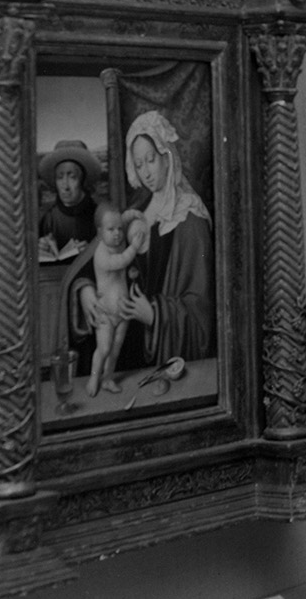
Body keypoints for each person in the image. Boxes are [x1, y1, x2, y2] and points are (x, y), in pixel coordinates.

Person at [69, 110, 214, 374]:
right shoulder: (138, 207)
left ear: (167, 158)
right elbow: (93, 261)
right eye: (138, 164)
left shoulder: (190, 220)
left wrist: (154, 314)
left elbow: (201, 316)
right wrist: (86, 289)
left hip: (153, 349)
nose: (145, 172)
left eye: (150, 160)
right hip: (120, 336)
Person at [84, 204, 146, 397]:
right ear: (100, 232)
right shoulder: (101, 254)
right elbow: (120, 262)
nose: (118, 233)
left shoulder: (116, 241)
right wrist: (134, 247)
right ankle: (94, 377)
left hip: (122, 311)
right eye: (111, 230)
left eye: (120, 229)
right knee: (103, 348)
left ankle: (108, 378)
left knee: (116, 348)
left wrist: (132, 214)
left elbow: (122, 218)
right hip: (106, 312)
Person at [37, 139, 101, 259]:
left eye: (72, 177)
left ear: (82, 180)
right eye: (60, 177)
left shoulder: (99, 215)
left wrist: (92, 252)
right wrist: (39, 249)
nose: (65, 186)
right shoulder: (48, 220)